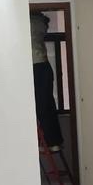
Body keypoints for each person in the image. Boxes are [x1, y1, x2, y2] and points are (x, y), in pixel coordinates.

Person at [31, 12, 64, 150]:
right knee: (47, 104)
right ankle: (53, 141)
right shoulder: (40, 22)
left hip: (36, 66)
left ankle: (48, 141)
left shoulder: (30, 22)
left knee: (41, 105)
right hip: (43, 66)